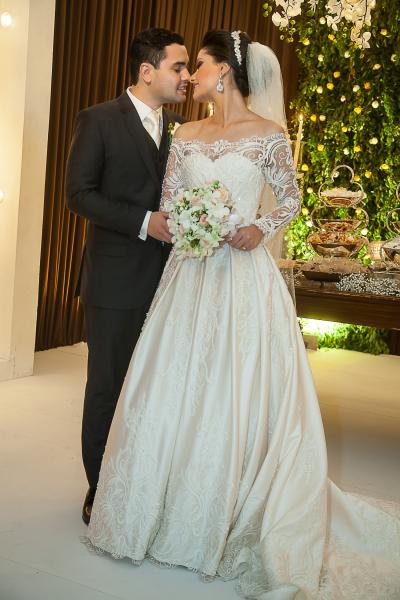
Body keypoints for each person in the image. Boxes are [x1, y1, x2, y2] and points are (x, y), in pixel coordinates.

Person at [84, 30, 400, 599]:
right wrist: (191, 225)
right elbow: (172, 202)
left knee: (236, 384)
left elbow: (291, 198)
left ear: (224, 72)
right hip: (189, 276)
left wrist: (260, 228)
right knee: (173, 384)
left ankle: (232, 505)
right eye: (185, 69)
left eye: (199, 67)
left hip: (243, 278)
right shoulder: (185, 135)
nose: (191, 78)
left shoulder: (269, 135)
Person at [65, 28, 190, 525]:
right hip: (114, 283)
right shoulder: (98, 120)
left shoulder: (183, 130)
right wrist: (144, 222)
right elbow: (78, 194)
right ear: (146, 70)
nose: (187, 76)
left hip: (172, 283)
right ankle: (100, 488)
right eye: (178, 67)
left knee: (156, 389)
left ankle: (142, 483)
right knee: (107, 386)